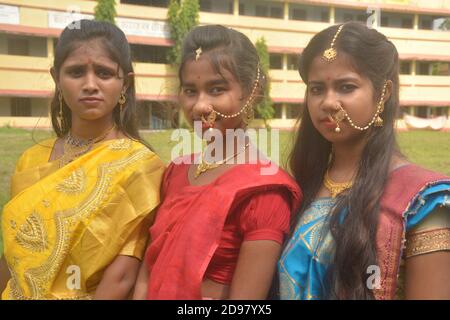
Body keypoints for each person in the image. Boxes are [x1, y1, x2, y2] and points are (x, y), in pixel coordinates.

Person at [278, 22, 450, 300]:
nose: (328, 102)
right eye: (317, 89)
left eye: (346, 87)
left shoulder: (423, 201)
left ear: (384, 94)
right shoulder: (299, 185)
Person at [133, 25, 302, 300]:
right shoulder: (175, 171)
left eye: (216, 89)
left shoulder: (265, 190)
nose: (200, 106)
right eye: (190, 91)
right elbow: (150, 267)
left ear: (250, 92)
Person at [0, 19, 165, 300]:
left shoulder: (140, 166)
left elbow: (122, 276)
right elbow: (14, 256)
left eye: (104, 73)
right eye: (76, 72)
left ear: (125, 82)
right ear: (56, 78)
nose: (90, 84)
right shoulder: (31, 160)